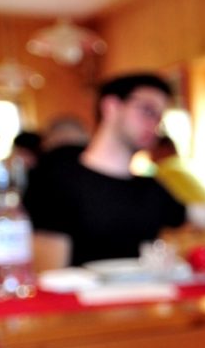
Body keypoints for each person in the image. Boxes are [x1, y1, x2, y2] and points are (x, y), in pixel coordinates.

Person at [23, 73, 187, 266]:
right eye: (147, 110)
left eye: (159, 116)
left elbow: (199, 217)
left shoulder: (151, 188)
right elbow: (48, 271)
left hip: (144, 294)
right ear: (111, 106)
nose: (154, 124)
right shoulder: (56, 181)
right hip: (76, 295)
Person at [149, 135, 205, 207]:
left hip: (198, 216)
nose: (149, 155)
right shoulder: (185, 164)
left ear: (164, 149)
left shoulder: (167, 168)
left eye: (152, 150)